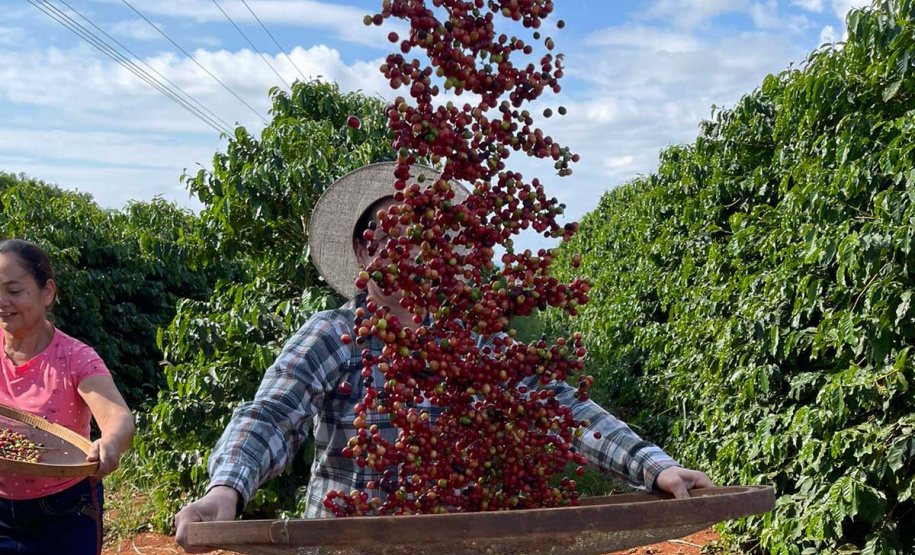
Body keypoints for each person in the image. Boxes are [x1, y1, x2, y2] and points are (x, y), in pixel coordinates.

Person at [175, 163, 713, 552]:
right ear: (363, 252)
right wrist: (228, 490)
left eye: (416, 236)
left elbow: (559, 408)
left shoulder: (471, 346)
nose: (399, 250)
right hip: (343, 544)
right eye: (382, 237)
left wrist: (655, 466)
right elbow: (272, 413)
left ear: (435, 251)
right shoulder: (336, 335)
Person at [0, 239, 136, 555]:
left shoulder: (75, 357)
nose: (3, 302)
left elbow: (118, 416)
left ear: (47, 292)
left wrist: (110, 443)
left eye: (14, 291)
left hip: (65, 511)